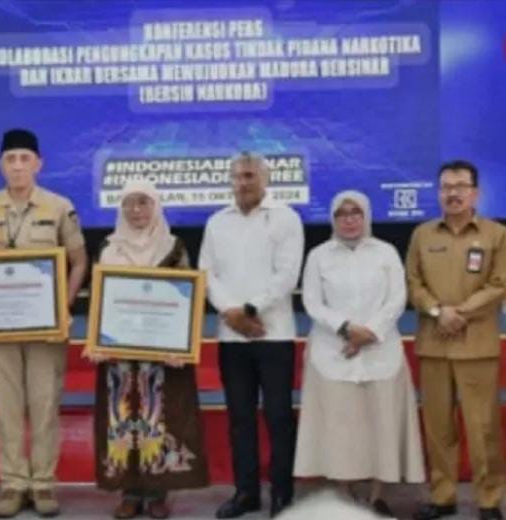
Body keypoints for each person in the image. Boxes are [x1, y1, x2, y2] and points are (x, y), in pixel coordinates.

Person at [0, 128, 88, 518]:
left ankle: (43, 483)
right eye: (10, 159)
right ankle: (13, 484)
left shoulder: (59, 207)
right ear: (0, 165)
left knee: (45, 403)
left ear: (39, 164)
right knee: (7, 406)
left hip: (46, 328)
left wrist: (63, 305)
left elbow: (79, 260)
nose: (17, 166)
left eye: (24, 159)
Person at [294, 190, 425, 517]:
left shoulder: (386, 252)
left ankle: (379, 497)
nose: (349, 220)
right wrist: (346, 329)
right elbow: (312, 302)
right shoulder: (318, 256)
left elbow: (397, 298)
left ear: (366, 216)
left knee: (382, 426)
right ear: (333, 218)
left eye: (356, 213)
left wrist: (370, 333)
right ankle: (345, 495)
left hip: (380, 351)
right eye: (342, 214)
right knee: (341, 430)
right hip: (334, 352)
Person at [86, 180, 208, 520]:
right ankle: (129, 492)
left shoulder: (174, 247)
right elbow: (99, 299)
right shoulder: (108, 248)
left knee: (163, 419)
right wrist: (97, 341)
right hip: (119, 355)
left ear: (156, 206)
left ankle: (157, 492)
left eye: (144, 202)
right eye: (129, 203)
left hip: (164, 355)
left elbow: (187, 298)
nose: (136, 210)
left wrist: (181, 344)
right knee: (122, 419)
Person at [198, 151, 304, 518]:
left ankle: (282, 493)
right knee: (239, 418)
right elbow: (207, 274)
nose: (243, 183)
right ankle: (246, 493)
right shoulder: (217, 222)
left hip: (274, 335)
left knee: (278, 416)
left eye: (250, 176)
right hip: (231, 338)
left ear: (265, 179)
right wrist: (232, 314)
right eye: (238, 176)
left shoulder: (287, 218)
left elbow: (286, 276)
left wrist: (248, 310)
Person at [406, 160, 506, 520]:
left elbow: (499, 284)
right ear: (438, 193)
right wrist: (437, 312)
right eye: (446, 187)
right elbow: (413, 283)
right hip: (434, 345)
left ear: (475, 193)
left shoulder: (497, 234)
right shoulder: (423, 234)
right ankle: (443, 496)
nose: (453, 193)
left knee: (483, 429)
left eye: (460, 186)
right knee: (438, 428)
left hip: (476, 346)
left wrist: (459, 312)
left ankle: (489, 501)